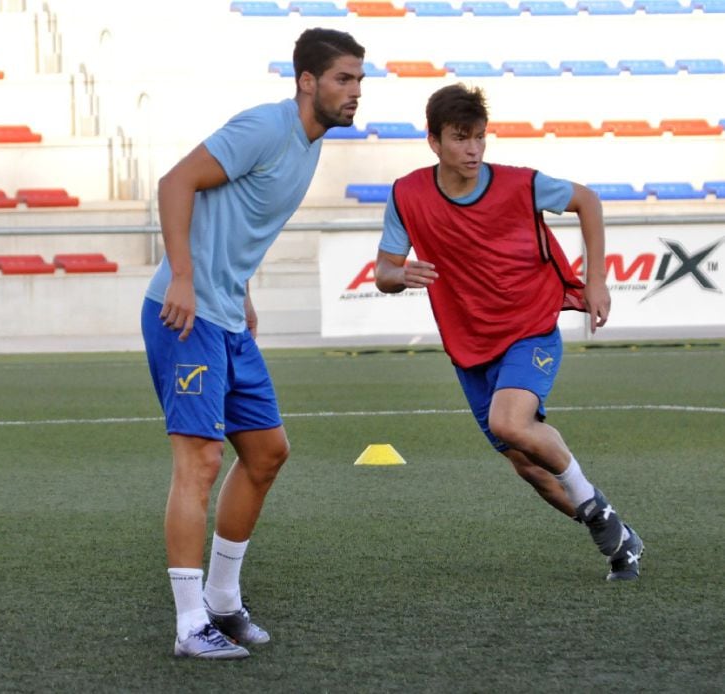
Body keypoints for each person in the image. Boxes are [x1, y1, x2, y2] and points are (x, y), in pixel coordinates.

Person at [141, 28, 365, 659]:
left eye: (359, 80)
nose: (354, 92)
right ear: (307, 82)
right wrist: (184, 274)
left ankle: (222, 603)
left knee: (266, 453)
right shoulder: (266, 127)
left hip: (226, 316)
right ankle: (190, 627)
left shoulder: (310, 144)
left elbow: (233, 214)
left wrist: (237, 289)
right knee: (201, 462)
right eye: (343, 79)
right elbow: (175, 183)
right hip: (183, 315)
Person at [375, 83, 644, 582]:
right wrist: (400, 275)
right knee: (529, 467)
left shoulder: (521, 184)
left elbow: (587, 200)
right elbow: (383, 272)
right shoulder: (407, 194)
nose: (474, 149)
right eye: (460, 138)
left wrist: (597, 280)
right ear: (434, 141)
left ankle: (602, 513)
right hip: (469, 345)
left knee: (510, 422)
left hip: (531, 327)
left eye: (479, 137)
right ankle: (616, 535)